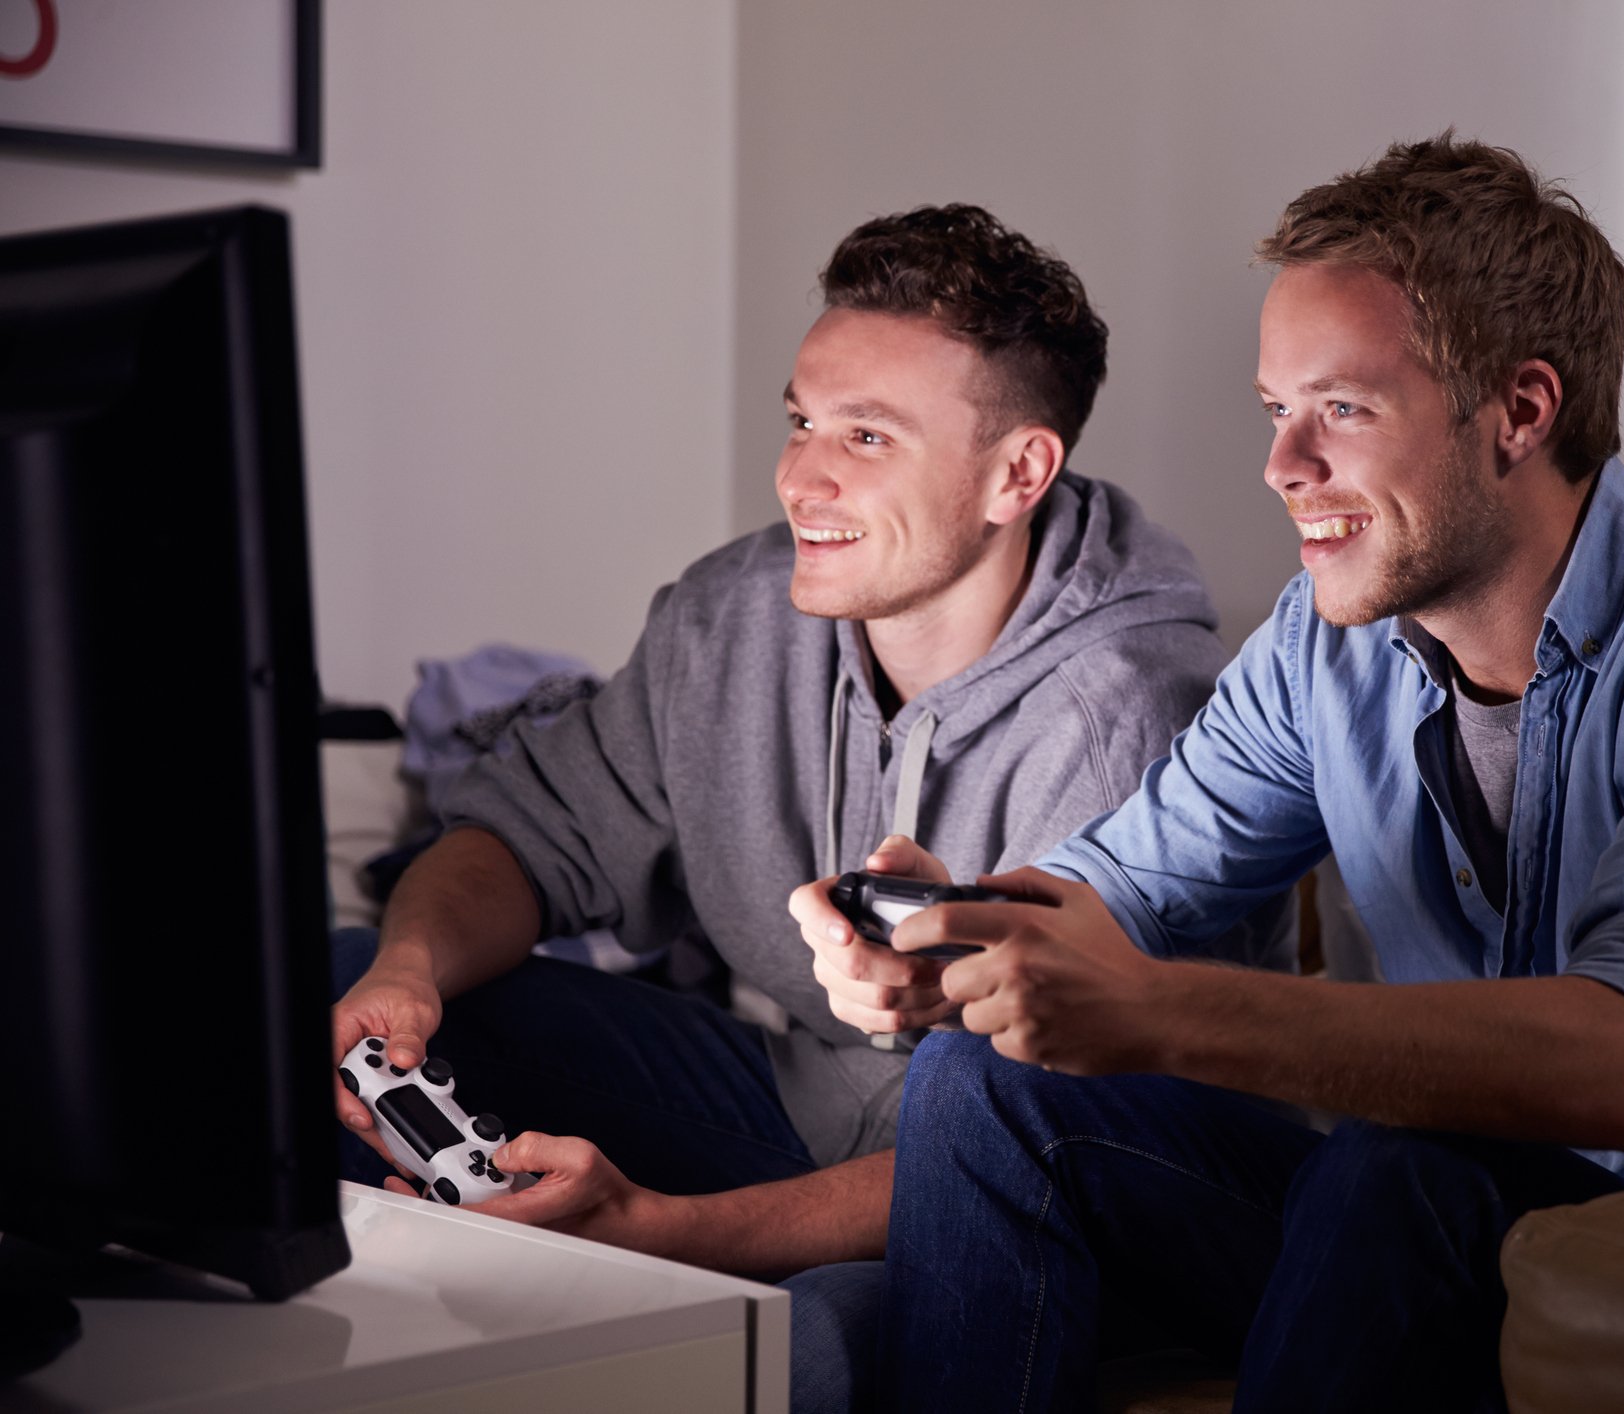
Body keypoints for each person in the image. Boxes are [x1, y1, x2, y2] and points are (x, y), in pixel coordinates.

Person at [794, 136, 1624, 1411]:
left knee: (1397, 1171)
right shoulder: (1330, 643)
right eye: (1275, 410)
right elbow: (1121, 882)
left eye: (1342, 409)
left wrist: (1163, 1013)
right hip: (1445, 1228)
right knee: (987, 1079)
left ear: (1520, 409)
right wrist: (950, 931)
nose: (1285, 464)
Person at [330, 205, 1280, 1412]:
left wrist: (662, 1230)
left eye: (867, 437)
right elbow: (526, 833)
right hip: (800, 1103)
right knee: (349, 984)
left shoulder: (1130, 715)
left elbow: (1022, 1133)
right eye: (801, 421)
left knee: (815, 1345)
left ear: (1017, 473)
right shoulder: (731, 617)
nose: (799, 476)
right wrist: (411, 965)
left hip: (1040, 1202)